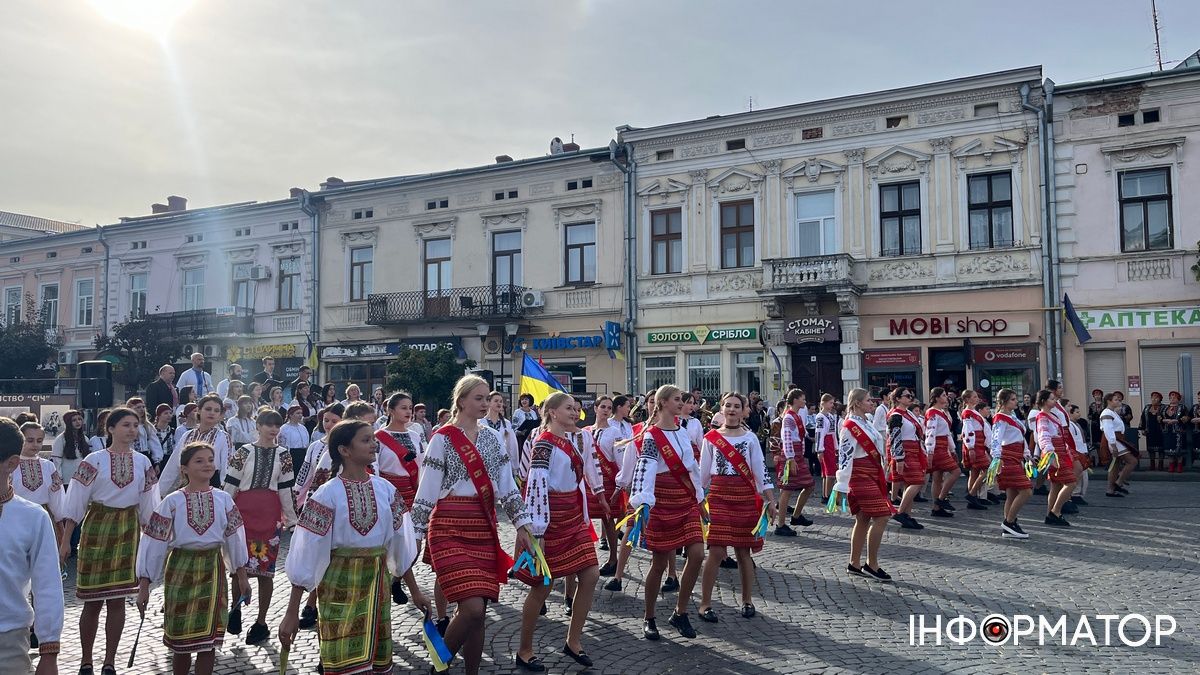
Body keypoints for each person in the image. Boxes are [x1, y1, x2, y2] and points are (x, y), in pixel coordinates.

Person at [279, 420, 427, 675]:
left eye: (373, 438)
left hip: (377, 589)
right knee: (344, 666)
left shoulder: (386, 490)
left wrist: (415, 592)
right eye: (365, 440)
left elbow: (398, 547)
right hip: (338, 589)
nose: (374, 444)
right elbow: (306, 555)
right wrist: (292, 613)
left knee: (376, 666)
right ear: (344, 450)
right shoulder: (326, 495)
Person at [410, 375, 534, 675]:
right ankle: (439, 666)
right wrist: (414, 533)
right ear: (461, 400)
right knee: (473, 607)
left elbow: (507, 486)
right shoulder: (442, 437)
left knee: (479, 614)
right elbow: (427, 489)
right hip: (449, 527)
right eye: (478, 398)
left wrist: (522, 525)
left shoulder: (492, 438)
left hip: (483, 527)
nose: (484, 403)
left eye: (485, 398)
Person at [60, 407, 160, 675]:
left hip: (128, 529)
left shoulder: (143, 462)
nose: (131, 430)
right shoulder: (94, 460)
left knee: (117, 599)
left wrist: (154, 543)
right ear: (111, 428)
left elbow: (150, 505)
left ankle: (110, 662)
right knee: (92, 600)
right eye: (126, 424)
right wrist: (66, 540)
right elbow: (76, 501)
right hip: (97, 528)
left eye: (135, 425)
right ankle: (86, 661)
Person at [137, 442, 251, 675]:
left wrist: (242, 577)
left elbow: (235, 539)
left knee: (208, 641)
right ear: (184, 469)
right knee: (181, 642)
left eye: (210, 459)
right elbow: (154, 542)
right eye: (199, 461)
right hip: (181, 569)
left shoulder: (224, 499)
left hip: (213, 568)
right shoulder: (172, 501)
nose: (207, 464)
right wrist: (144, 584)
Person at [513, 393, 604, 671]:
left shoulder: (569, 441)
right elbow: (536, 486)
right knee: (543, 586)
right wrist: (536, 530)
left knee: (590, 573)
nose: (575, 413)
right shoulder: (543, 444)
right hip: (550, 521)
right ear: (552, 412)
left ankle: (573, 641)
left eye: (575, 409)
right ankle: (525, 649)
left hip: (573, 518)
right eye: (569, 409)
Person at [628, 385, 705, 641]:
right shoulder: (651, 436)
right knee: (659, 564)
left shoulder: (682, 432)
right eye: (677, 399)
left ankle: (680, 612)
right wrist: (643, 500)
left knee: (696, 553)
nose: (682, 402)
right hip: (661, 499)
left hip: (685, 499)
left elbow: (691, 467)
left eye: (682, 399)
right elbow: (645, 467)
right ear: (662, 403)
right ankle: (649, 616)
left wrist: (700, 496)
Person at [697, 392, 774, 620]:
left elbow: (760, 473)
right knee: (716, 551)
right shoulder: (710, 438)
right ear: (722, 409)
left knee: (743, 552)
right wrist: (700, 501)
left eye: (736, 406)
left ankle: (747, 600)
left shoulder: (750, 439)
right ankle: (705, 603)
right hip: (719, 496)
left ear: (743, 410)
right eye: (728, 406)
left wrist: (770, 501)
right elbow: (702, 475)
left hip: (745, 496)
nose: (732, 410)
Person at [222, 410, 297, 644]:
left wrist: (292, 520)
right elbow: (231, 483)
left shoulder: (284, 455)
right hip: (243, 512)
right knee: (238, 567)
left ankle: (261, 622)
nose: (273, 429)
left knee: (266, 571)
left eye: (277, 425)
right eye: (268, 424)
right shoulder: (243, 452)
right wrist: (224, 512)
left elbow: (285, 488)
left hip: (269, 513)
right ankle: (235, 611)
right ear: (258, 425)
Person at [0, 417, 64, 675]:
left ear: (11, 463)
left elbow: (47, 584)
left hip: (8, 639)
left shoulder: (33, 517)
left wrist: (49, 652)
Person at [832, 388, 895, 580]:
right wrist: (841, 484)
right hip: (859, 476)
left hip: (871, 473)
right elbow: (845, 456)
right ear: (858, 403)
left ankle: (854, 562)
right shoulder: (850, 426)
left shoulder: (865, 422)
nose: (872, 403)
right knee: (883, 516)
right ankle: (872, 564)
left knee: (863, 518)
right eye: (868, 400)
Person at [374, 391, 425, 606]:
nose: (408, 411)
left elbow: (421, 465)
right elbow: (374, 468)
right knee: (392, 542)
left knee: (415, 545)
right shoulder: (379, 437)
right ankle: (387, 583)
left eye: (410, 408)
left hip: (412, 492)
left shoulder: (415, 435)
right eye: (403, 407)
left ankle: (396, 579)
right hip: (389, 493)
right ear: (390, 410)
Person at [162, 395, 232, 493]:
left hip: (211, 485)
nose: (212, 413)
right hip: (188, 483)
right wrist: (161, 491)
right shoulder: (187, 435)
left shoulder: (223, 437)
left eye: (216, 411)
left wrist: (224, 494)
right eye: (208, 409)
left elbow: (226, 467)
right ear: (199, 410)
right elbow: (174, 464)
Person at [990, 388, 1032, 538]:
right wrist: (996, 458)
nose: (1016, 401)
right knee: (1026, 490)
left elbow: (1020, 437)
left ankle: (1010, 525)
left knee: (1012, 493)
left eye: (1015, 399)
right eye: (1012, 399)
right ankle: (1008, 522)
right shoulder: (1000, 418)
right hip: (1006, 457)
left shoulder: (1013, 416)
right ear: (1004, 401)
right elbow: (995, 439)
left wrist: (1027, 454)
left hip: (1016, 456)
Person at [587, 396, 621, 570]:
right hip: (588, 481)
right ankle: (584, 558)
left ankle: (613, 558)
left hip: (607, 479)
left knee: (608, 519)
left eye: (609, 407)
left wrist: (620, 483)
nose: (606, 410)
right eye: (603, 407)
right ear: (595, 408)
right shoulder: (585, 431)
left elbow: (619, 459)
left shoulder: (615, 432)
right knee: (584, 519)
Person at [774, 388, 814, 536]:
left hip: (797, 454)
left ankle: (796, 516)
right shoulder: (789, 417)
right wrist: (790, 458)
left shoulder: (795, 416)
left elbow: (800, 436)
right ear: (795, 400)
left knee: (809, 485)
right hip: (791, 455)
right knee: (787, 489)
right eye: (803, 398)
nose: (804, 401)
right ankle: (781, 524)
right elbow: (787, 438)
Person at [1034, 389, 1075, 527]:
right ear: (1044, 401)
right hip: (1053, 453)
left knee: (1056, 484)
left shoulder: (1052, 416)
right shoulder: (1042, 417)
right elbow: (1043, 436)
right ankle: (1055, 512)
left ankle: (1049, 514)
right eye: (1051, 399)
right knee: (1070, 482)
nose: (1054, 401)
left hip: (1060, 451)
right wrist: (1050, 453)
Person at [888, 388, 926, 530]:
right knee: (917, 482)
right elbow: (895, 437)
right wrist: (899, 458)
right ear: (898, 398)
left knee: (909, 484)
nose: (910, 398)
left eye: (911, 395)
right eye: (907, 396)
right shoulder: (896, 415)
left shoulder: (908, 413)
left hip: (914, 450)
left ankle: (907, 516)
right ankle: (900, 512)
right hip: (905, 451)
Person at [924, 388, 958, 519]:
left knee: (938, 477)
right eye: (943, 395)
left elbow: (947, 433)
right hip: (937, 447)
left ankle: (936, 508)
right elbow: (930, 432)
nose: (946, 397)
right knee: (955, 471)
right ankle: (941, 498)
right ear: (937, 398)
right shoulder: (932, 412)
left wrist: (952, 449)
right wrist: (930, 450)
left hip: (943, 446)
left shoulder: (942, 412)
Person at [959, 392, 993, 508]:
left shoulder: (973, 412)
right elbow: (968, 430)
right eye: (974, 397)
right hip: (975, 445)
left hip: (979, 444)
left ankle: (972, 498)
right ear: (967, 399)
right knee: (986, 469)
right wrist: (971, 447)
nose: (977, 398)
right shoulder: (968, 413)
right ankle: (972, 494)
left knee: (974, 472)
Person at [1101, 393, 1136, 496]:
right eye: (1116, 400)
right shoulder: (1106, 413)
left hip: (1117, 439)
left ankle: (1110, 489)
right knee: (1132, 461)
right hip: (1115, 440)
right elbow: (1108, 430)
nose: (1118, 401)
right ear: (1109, 401)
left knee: (1115, 465)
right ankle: (1118, 482)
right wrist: (1113, 445)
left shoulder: (1112, 412)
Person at [814, 394, 841, 508]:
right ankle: (828, 495)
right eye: (830, 403)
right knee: (829, 473)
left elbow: (834, 433)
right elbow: (819, 434)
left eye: (832, 403)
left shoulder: (830, 416)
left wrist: (836, 447)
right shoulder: (820, 417)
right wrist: (819, 450)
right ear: (823, 403)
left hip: (830, 443)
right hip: (825, 443)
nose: (831, 405)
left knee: (827, 473)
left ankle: (826, 495)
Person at [51, 409, 90, 484]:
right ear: (68, 422)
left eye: (79, 419)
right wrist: (59, 478)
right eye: (74, 420)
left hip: (81, 480)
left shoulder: (85, 439)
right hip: (66, 480)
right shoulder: (61, 439)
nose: (78, 422)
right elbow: (56, 460)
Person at [483, 391, 520, 467]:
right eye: (496, 401)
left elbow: (512, 444)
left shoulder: (506, 423)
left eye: (501, 401)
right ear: (489, 402)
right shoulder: (480, 422)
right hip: (485, 461)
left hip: (502, 461)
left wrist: (514, 465)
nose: (499, 403)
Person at [126, 397, 164, 467]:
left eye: (143, 407)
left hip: (145, 456)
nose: (141, 409)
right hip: (130, 456)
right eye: (138, 407)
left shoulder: (147, 426)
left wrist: (157, 461)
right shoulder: (126, 426)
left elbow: (154, 444)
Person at [1067, 404, 1091, 505]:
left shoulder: (1077, 424)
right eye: (1076, 412)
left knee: (1084, 476)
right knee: (1079, 474)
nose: (1079, 414)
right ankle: (1075, 495)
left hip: (1082, 452)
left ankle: (1079, 494)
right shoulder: (1069, 425)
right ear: (1070, 413)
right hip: (1077, 453)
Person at [279, 404, 311, 476]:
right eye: (298, 413)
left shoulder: (303, 428)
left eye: (301, 413)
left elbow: (306, 443)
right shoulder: (284, 428)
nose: (300, 415)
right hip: (291, 454)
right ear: (291, 415)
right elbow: (281, 444)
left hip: (303, 454)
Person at [1163, 391, 1189, 473]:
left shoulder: (1183, 407)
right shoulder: (1165, 407)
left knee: (1179, 450)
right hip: (1168, 431)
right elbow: (1159, 417)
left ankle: (1179, 466)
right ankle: (1171, 466)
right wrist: (1165, 420)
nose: (1172, 398)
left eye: (1174, 397)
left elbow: (1187, 418)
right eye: (1170, 397)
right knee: (1170, 449)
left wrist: (1177, 420)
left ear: (1178, 399)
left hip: (1179, 432)